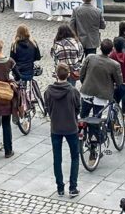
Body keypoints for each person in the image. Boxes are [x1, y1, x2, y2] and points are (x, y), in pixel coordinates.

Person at [44, 63, 81, 197]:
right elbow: (78, 107)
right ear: (69, 74)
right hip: (71, 127)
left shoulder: (48, 91)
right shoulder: (73, 91)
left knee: (57, 158)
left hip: (56, 127)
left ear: (56, 74)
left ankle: (60, 187)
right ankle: (73, 187)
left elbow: (47, 107)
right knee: (75, 157)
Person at [109, 37, 125, 115]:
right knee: (124, 97)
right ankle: (123, 111)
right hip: (124, 82)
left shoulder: (111, 56)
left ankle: (112, 121)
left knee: (113, 104)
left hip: (113, 83)